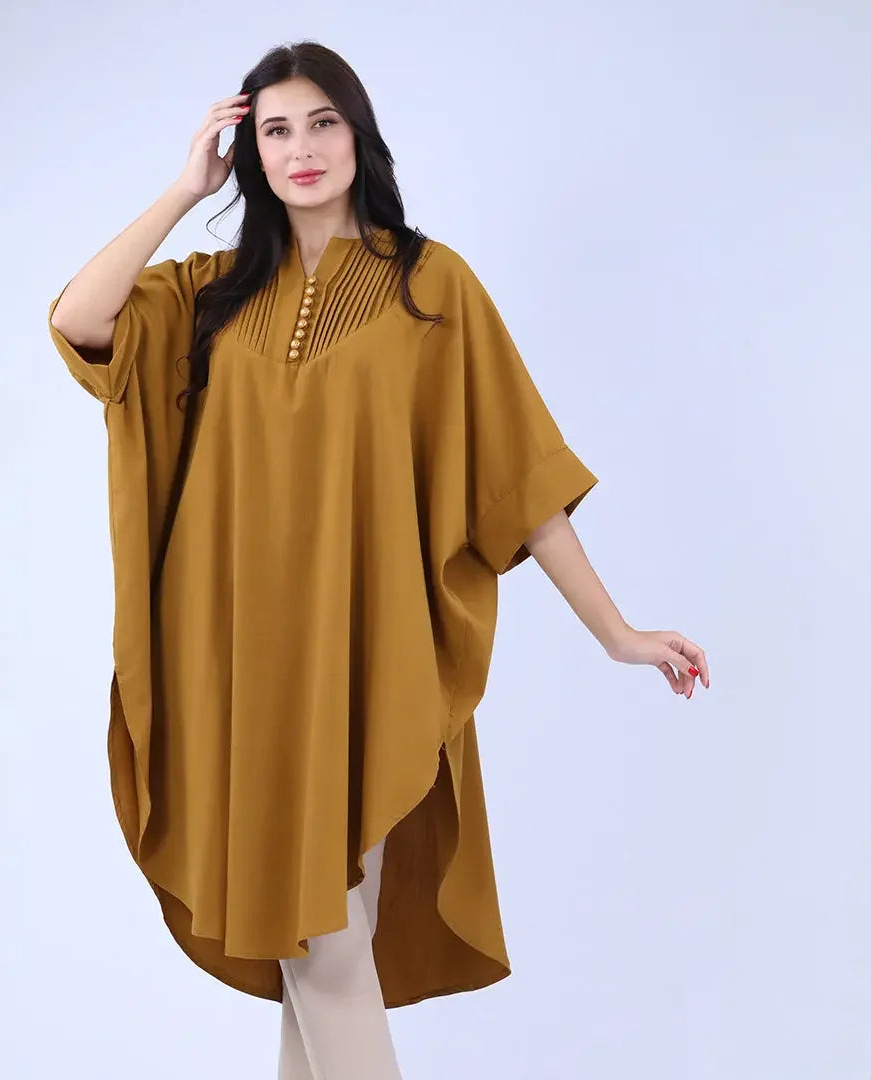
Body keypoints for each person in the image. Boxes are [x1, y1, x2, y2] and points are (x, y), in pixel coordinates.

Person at [46, 39, 711, 1080]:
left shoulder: (431, 289)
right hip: (234, 661)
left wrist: (618, 633)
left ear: (359, 135)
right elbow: (78, 319)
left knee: (321, 932)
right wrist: (184, 191)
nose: (301, 148)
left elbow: (518, 478)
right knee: (310, 938)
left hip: (362, 652)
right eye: (276, 130)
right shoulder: (210, 294)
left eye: (323, 122)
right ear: (249, 152)